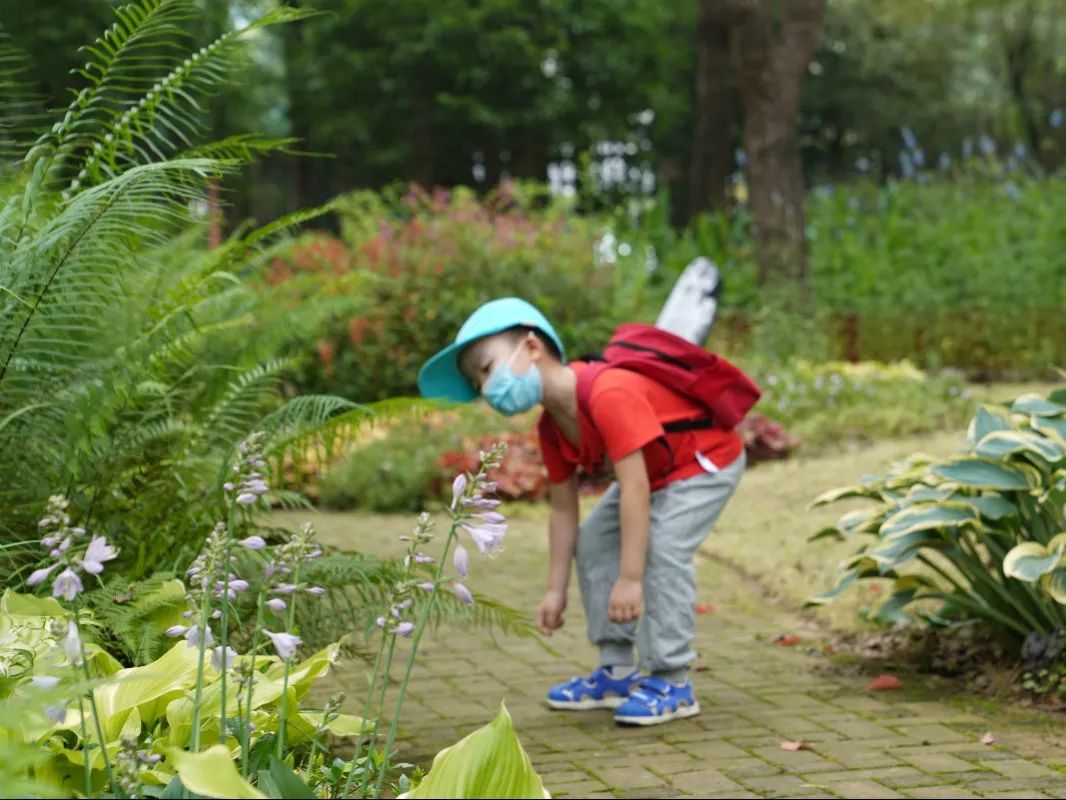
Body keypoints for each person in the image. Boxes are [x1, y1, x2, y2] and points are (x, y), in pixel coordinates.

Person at [417, 297, 746, 726]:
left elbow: (634, 488)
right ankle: (617, 670)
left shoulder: (608, 393)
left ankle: (672, 679)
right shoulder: (552, 427)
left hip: (704, 462)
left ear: (532, 347)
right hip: (655, 473)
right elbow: (563, 513)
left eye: (485, 369)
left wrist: (629, 579)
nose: (485, 388)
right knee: (594, 539)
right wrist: (555, 591)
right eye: (477, 384)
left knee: (662, 548)